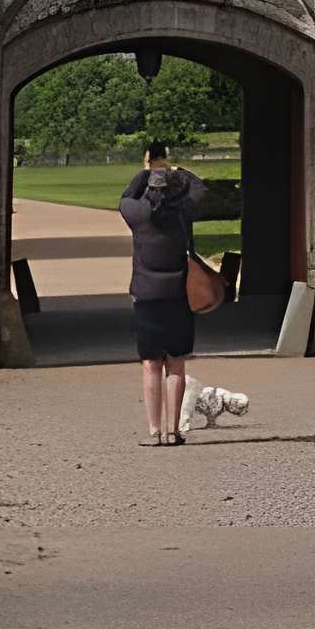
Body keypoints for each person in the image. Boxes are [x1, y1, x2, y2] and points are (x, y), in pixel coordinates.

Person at [118, 141, 201, 445]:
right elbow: (198, 187)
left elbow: (125, 196)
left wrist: (146, 171)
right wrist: (174, 171)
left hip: (146, 293)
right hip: (178, 292)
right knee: (176, 363)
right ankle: (173, 430)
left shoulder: (137, 214)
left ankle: (154, 430)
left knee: (151, 363)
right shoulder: (182, 211)